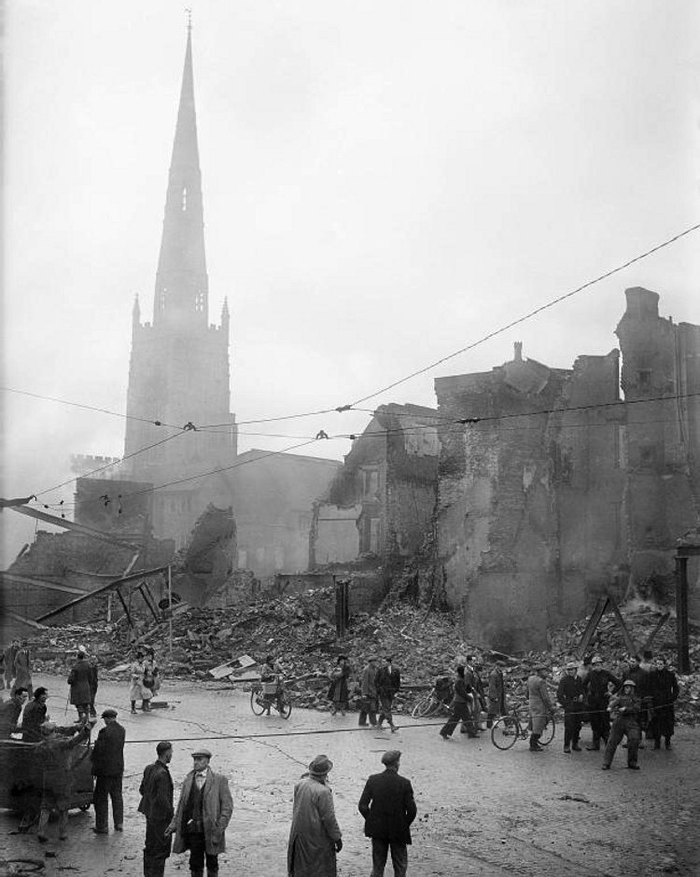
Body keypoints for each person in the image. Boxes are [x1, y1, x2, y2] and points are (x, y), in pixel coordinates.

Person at [167, 748, 233, 877]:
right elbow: (181, 806)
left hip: (212, 830)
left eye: (199, 759)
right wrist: (174, 824)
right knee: (195, 864)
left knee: (212, 863)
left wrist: (219, 828)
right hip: (193, 830)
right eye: (194, 759)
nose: (196, 762)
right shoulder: (188, 780)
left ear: (207, 761)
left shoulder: (219, 780)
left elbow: (227, 807)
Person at [358, 750, 417, 877]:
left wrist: (372, 820)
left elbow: (362, 806)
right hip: (398, 831)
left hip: (378, 830)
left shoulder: (373, 780)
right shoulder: (404, 783)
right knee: (400, 867)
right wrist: (403, 824)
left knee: (378, 867)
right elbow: (412, 811)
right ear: (397, 763)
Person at [287, 754, 342, 877]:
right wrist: (337, 838)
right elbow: (329, 819)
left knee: (301, 867)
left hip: (299, 835)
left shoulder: (300, 784)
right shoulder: (323, 792)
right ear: (325, 773)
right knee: (320, 869)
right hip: (317, 837)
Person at [36, 719, 90, 842]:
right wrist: (85, 731)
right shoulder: (59, 744)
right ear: (53, 732)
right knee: (63, 807)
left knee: (45, 807)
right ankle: (63, 833)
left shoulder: (40, 746)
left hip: (47, 778)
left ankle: (41, 831)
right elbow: (74, 741)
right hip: (61, 779)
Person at [139, 741, 174, 877]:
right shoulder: (163, 774)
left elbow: (142, 790)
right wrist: (171, 816)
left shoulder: (149, 768)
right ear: (166, 753)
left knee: (149, 847)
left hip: (149, 814)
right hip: (161, 818)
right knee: (161, 850)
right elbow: (163, 799)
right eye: (171, 752)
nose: (172, 754)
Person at [91, 707, 126, 834]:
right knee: (117, 796)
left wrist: (94, 767)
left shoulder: (104, 732)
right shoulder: (122, 730)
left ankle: (102, 826)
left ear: (107, 719)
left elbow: (99, 752)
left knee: (101, 798)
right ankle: (119, 823)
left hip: (105, 771)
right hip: (118, 768)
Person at [602, 679, 642, 770]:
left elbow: (637, 709)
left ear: (632, 688)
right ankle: (606, 763)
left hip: (631, 721)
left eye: (629, 688)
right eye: (625, 687)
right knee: (612, 741)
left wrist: (626, 709)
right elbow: (614, 703)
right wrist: (610, 707)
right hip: (619, 720)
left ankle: (632, 762)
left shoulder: (637, 699)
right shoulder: (620, 697)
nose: (627, 689)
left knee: (634, 740)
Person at [584, 656, 620, 750]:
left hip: (603, 700)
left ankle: (608, 744)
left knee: (605, 722)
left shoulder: (606, 674)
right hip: (593, 701)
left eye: (599, 664)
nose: (597, 666)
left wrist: (611, 692)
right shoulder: (590, 674)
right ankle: (595, 744)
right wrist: (586, 695)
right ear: (593, 666)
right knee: (594, 722)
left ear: (602, 665)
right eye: (595, 665)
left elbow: (618, 683)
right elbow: (583, 685)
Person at [649, 657, 679, 750]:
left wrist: (672, 698)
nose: (658, 666)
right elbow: (649, 688)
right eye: (657, 664)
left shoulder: (670, 675)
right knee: (656, 722)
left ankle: (667, 742)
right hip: (656, 703)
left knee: (668, 723)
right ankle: (657, 743)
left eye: (660, 664)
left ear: (664, 665)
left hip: (667, 703)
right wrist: (651, 699)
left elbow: (676, 688)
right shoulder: (652, 675)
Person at [439, 665, 475, 740]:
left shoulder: (460, 679)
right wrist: (469, 698)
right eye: (465, 671)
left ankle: (471, 733)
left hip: (460, 702)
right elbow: (462, 692)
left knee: (463, 718)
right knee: (461, 718)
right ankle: (444, 732)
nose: (466, 672)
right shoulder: (459, 681)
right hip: (460, 702)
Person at [557, 661, 586, 753]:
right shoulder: (564, 680)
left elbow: (582, 689)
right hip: (570, 705)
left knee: (578, 725)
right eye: (569, 670)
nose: (570, 671)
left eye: (572, 669)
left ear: (576, 670)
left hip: (578, 705)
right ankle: (566, 745)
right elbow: (559, 694)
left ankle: (575, 744)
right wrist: (566, 704)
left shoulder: (579, 679)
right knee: (569, 726)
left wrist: (582, 695)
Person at [527, 664, 553, 752]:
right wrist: (550, 707)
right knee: (539, 725)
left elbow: (527, 692)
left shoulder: (530, 679)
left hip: (532, 703)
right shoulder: (541, 682)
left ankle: (533, 742)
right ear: (540, 672)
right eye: (545, 671)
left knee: (534, 721)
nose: (546, 673)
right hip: (539, 705)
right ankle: (533, 744)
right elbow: (545, 697)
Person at [376, 656, 400, 733]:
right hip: (383, 693)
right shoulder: (380, 670)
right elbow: (376, 681)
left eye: (384, 661)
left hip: (391, 692)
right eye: (382, 662)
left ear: (389, 662)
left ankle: (379, 723)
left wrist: (396, 691)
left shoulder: (396, 670)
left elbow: (398, 682)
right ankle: (392, 725)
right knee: (387, 708)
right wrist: (379, 690)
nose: (382, 663)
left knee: (386, 708)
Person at [68, 647, 92, 721]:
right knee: (86, 703)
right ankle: (87, 717)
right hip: (86, 686)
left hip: (77, 687)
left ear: (77, 657)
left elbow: (71, 678)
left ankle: (80, 718)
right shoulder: (88, 665)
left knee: (79, 704)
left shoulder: (76, 666)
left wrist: (69, 681)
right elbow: (90, 676)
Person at [358, 656, 379, 727]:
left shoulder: (374, 669)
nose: (376, 663)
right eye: (374, 661)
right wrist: (364, 693)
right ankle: (371, 722)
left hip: (373, 691)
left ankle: (365, 722)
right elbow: (364, 682)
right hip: (369, 692)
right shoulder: (366, 670)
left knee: (369, 707)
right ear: (371, 662)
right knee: (367, 708)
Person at [486, 660, 507, 728]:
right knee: (492, 710)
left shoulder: (500, 673)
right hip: (495, 695)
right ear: (498, 666)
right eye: (502, 667)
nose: (503, 668)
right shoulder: (493, 674)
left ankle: (507, 723)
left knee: (502, 709)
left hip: (500, 694)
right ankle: (489, 724)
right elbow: (492, 686)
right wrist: (494, 696)